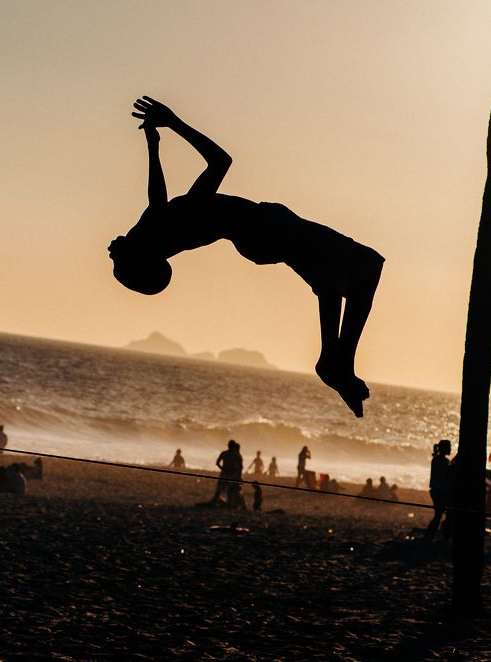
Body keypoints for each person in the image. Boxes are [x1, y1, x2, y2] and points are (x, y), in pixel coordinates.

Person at [110, 97, 384, 417]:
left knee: (332, 279)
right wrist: (174, 123)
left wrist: (153, 143)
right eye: (118, 260)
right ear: (141, 253)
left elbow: (155, 199)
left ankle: (333, 362)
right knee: (364, 266)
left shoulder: (167, 225)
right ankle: (337, 362)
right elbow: (220, 161)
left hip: (263, 234)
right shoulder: (184, 216)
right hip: (266, 229)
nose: (111, 249)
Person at [424, 440, 453, 542]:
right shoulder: (442, 461)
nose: (450, 449)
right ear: (444, 449)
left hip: (437, 491)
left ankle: (430, 536)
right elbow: (444, 474)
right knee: (439, 515)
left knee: (439, 515)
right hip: (439, 492)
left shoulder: (437, 459)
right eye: (449, 447)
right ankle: (432, 536)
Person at [210, 439, 243, 505]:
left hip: (224, 473)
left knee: (220, 489)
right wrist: (238, 475)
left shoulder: (224, 453)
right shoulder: (236, 455)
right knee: (230, 490)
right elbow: (240, 467)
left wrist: (222, 469)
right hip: (232, 474)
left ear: (228, 445)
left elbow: (217, 463)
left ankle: (217, 501)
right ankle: (228, 503)